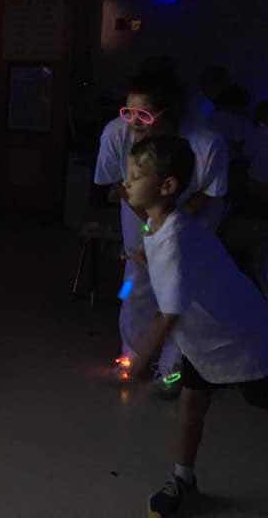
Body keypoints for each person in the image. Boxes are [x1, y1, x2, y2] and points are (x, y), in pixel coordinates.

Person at [122, 135, 268, 518]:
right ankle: (182, 477)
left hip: (240, 339)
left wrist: (141, 360)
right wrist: (144, 257)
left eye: (136, 176)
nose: (126, 182)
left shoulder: (175, 239)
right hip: (206, 340)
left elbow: (168, 315)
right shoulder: (159, 223)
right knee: (192, 404)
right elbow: (166, 254)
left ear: (167, 185)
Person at [92, 70, 230, 395]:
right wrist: (148, 227)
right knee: (133, 283)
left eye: (144, 115)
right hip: (139, 213)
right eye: (128, 112)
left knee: (180, 293)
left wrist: (165, 231)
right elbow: (119, 185)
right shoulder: (116, 134)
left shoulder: (206, 144)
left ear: (170, 114)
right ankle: (130, 355)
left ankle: (171, 368)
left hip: (194, 217)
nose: (133, 123)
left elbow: (208, 194)